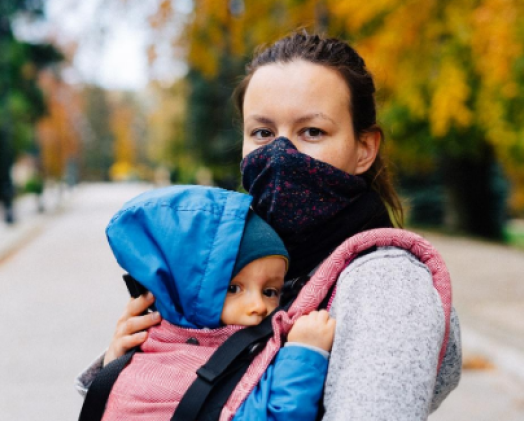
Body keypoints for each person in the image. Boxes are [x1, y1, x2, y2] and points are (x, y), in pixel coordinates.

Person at [78, 32, 462, 420]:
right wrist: (130, 365)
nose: (280, 154)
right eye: (262, 133)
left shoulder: (386, 283)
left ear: (364, 149)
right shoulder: (243, 256)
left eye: (312, 131)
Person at [80, 185, 335, 421]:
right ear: (187, 291)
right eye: (233, 288)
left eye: (270, 291)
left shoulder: (249, 344)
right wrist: (305, 354)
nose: (258, 306)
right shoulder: (155, 370)